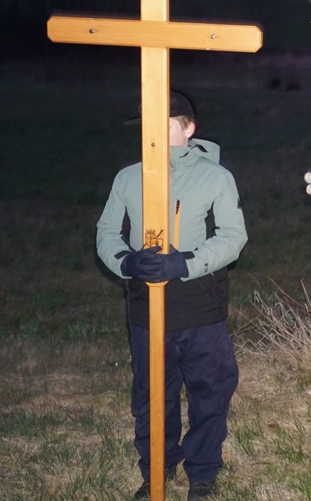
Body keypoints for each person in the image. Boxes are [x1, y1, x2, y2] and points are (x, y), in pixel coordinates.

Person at [97, 91, 247, 500]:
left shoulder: (215, 177)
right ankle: (157, 471)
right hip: (146, 310)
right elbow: (107, 232)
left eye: (163, 127)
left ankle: (203, 473)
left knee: (209, 392)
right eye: (148, 128)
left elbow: (233, 237)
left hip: (200, 307)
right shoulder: (128, 178)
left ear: (189, 128)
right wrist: (127, 262)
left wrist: (187, 263)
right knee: (151, 396)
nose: (154, 137)